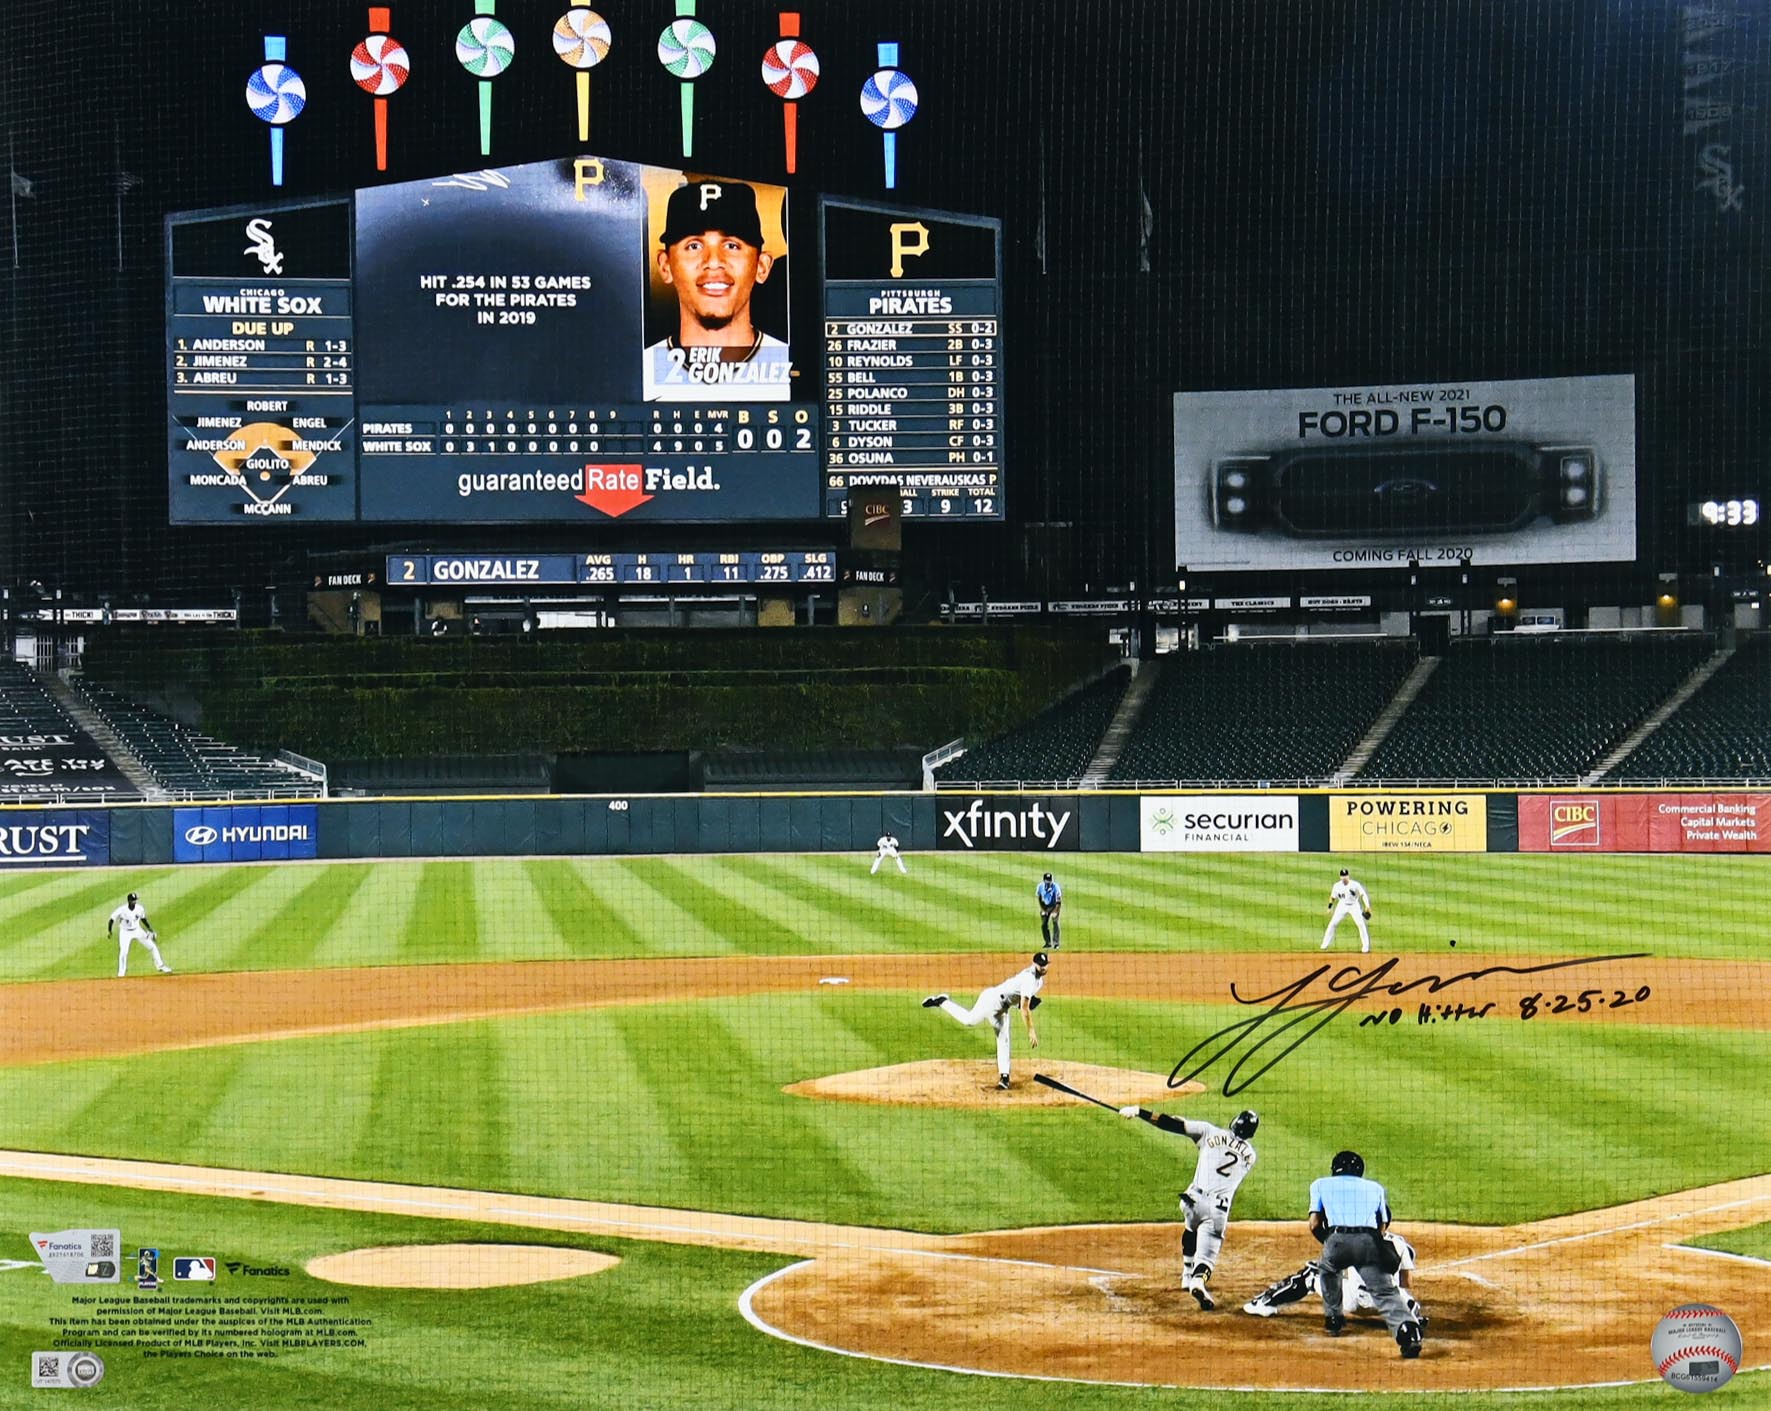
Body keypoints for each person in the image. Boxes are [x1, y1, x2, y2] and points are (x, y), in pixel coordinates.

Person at [644, 179, 791, 401]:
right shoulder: (640, 375)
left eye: (732, 245)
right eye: (694, 245)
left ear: (762, 266)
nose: (713, 262)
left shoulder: (793, 371)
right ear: (665, 266)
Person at [1116, 1106, 1258, 1310]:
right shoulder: (1250, 1157)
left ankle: (1186, 1273)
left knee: (1191, 1227)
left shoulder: (1208, 1131)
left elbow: (1171, 1123)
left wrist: (1139, 1112)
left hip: (1192, 1201)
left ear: (1234, 1122)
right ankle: (1197, 1280)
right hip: (1217, 1210)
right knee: (1207, 1257)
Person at [1307, 1149, 1423, 1358]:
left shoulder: (1319, 1184)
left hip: (1336, 1239)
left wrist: (1330, 1243)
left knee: (1328, 1269)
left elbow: (1314, 1224)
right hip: (1369, 1242)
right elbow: (1383, 1224)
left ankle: (1334, 1319)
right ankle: (1408, 1332)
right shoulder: (1375, 1188)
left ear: (1335, 1169)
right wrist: (1371, 1243)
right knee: (1385, 1292)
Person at [1241, 1229, 1428, 1327]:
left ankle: (1264, 1304)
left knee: (1312, 1272)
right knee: (1400, 1294)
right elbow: (1407, 1283)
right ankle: (1411, 1315)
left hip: (1351, 1303)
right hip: (1389, 1306)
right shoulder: (1401, 1244)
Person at [922, 951, 1047, 1091]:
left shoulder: (1039, 981)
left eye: (1045, 965)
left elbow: (1017, 1000)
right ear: (1034, 964)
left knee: (1003, 1038)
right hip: (991, 1000)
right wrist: (1031, 1031)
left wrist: (1029, 1002)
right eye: (1041, 965)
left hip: (1002, 1009)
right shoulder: (1028, 979)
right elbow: (1024, 1009)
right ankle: (942, 1001)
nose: (1043, 968)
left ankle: (1004, 1077)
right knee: (969, 1020)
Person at [108, 891, 170, 977]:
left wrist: (150, 929)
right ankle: (121, 973)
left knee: (152, 947)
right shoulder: (122, 910)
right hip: (125, 932)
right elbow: (111, 919)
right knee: (124, 952)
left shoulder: (140, 908)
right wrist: (110, 931)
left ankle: (160, 966)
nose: (135, 902)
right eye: (133, 900)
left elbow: (143, 919)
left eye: (136, 900)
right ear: (129, 901)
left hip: (137, 930)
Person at [1320, 867, 1372, 953]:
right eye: (1342, 876)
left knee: (1361, 924)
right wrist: (1329, 907)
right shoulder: (1336, 886)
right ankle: (1324, 944)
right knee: (1333, 923)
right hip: (1342, 905)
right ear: (1340, 877)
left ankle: (1365, 947)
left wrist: (1367, 905)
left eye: (1345, 875)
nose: (1344, 877)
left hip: (1354, 906)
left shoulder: (1355, 884)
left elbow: (1363, 894)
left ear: (1348, 876)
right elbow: (1332, 897)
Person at [1036, 872, 1063, 948]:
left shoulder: (1056, 887)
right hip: (1045, 906)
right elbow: (1040, 898)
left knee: (1055, 923)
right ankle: (1048, 942)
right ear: (1044, 880)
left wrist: (1055, 912)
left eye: (1049, 880)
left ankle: (1056, 943)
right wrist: (1043, 909)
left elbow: (1059, 900)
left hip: (1055, 906)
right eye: (1047, 880)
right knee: (1044, 925)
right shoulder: (1040, 886)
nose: (1048, 882)